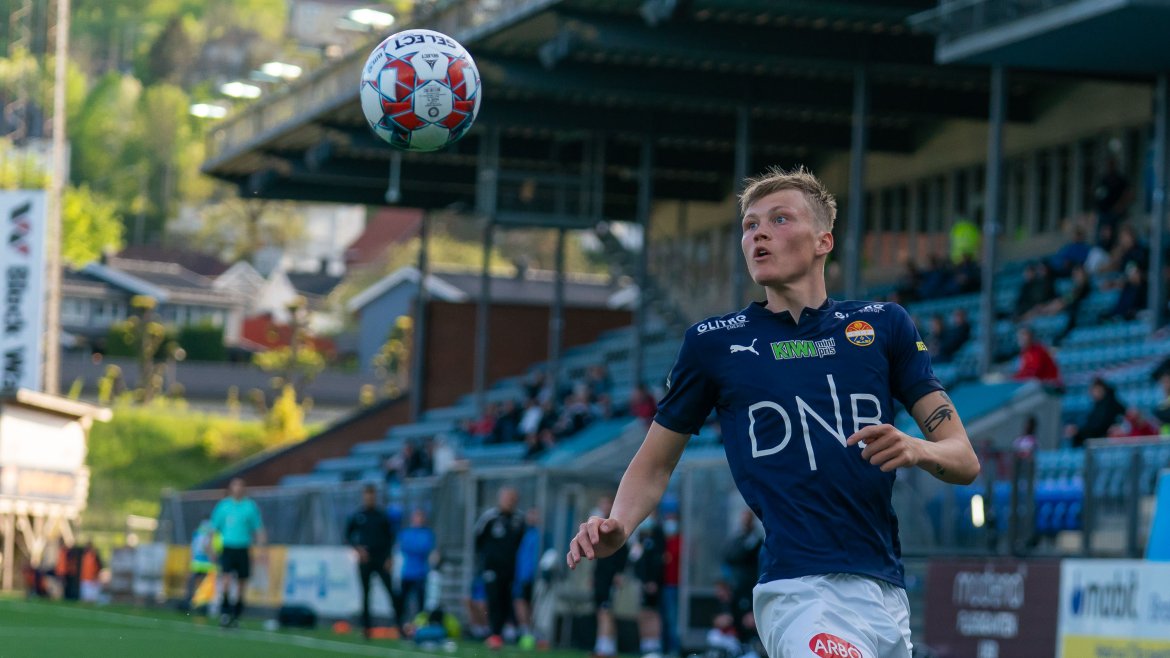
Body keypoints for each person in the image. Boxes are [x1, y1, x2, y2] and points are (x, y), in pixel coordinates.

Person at [566, 167, 980, 658]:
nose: (758, 233)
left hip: (886, 594)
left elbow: (963, 459)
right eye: (750, 225)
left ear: (824, 241)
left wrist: (916, 448)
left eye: (779, 219)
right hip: (800, 594)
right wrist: (619, 523)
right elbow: (655, 462)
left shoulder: (885, 326)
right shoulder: (713, 343)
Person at [474, 487, 526, 649]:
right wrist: (486, 560)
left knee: (506, 600)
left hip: (510, 569)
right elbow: (477, 539)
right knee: (493, 599)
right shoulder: (490, 518)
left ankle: (500, 633)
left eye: (512, 498)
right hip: (492, 568)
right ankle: (493, 633)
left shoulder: (519, 520)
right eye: (507, 498)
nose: (510, 501)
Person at [210, 477, 265, 627]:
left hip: (243, 548)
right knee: (226, 580)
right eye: (235, 485)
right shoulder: (223, 506)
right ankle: (225, 612)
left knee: (242, 583)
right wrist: (211, 547)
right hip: (228, 547)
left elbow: (258, 529)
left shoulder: (250, 506)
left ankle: (236, 615)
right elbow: (213, 528)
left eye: (240, 485)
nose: (238, 488)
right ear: (231, 488)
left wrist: (261, 548)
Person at [346, 484, 397, 637]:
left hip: (381, 559)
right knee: (366, 594)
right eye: (367, 495)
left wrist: (389, 557)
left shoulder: (382, 516)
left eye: (372, 495)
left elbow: (390, 538)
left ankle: (399, 624)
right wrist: (358, 549)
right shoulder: (358, 515)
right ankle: (366, 628)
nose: (369, 498)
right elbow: (348, 535)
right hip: (365, 560)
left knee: (391, 592)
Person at [590, 496, 629, 658]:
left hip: (611, 577)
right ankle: (608, 647)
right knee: (602, 611)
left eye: (607, 504)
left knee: (605, 611)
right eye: (602, 504)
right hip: (601, 576)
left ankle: (604, 648)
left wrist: (619, 573)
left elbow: (624, 552)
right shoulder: (599, 528)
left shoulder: (616, 527)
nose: (604, 507)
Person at [722, 509, 764, 644]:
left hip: (750, 586)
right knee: (735, 618)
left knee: (749, 619)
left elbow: (741, 555)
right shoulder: (737, 538)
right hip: (736, 586)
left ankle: (751, 646)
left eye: (747, 519)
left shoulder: (756, 539)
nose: (745, 522)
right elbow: (729, 556)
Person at [632, 514, 666, 658]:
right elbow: (637, 558)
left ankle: (654, 646)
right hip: (642, 581)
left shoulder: (657, 534)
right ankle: (645, 645)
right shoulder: (640, 535)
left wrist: (653, 580)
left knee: (653, 613)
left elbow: (658, 560)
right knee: (643, 613)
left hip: (652, 582)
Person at [398, 507, 436, 623]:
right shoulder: (406, 533)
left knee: (420, 603)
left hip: (421, 573)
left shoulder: (427, 533)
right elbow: (405, 547)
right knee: (403, 602)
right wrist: (417, 548)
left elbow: (425, 548)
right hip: (407, 573)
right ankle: (402, 625)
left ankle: (419, 625)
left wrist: (415, 548)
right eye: (417, 516)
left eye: (421, 517)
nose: (419, 519)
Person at [513, 508, 542, 650]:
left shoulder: (539, 535)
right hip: (521, 574)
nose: (532, 517)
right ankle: (525, 630)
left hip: (531, 575)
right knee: (520, 601)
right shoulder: (524, 532)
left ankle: (528, 631)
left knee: (526, 603)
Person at [1070, 377, 1126, 447]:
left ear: (1101, 389)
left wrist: (1079, 431)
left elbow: (1099, 427)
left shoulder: (1109, 405)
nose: (1091, 393)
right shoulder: (1098, 405)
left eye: (1093, 390)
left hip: (1105, 442)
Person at [660, 510, 682, 657]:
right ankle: (664, 649)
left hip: (675, 585)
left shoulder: (681, 541)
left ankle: (674, 650)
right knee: (665, 619)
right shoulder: (663, 541)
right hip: (663, 585)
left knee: (673, 619)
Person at [185, 519, 216, 612]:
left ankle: (189, 601)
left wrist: (190, 560)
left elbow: (192, 548)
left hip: (196, 562)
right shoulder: (211, 530)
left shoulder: (197, 532)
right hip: (206, 563)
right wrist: (213, 557)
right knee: (204, 585)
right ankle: (200, 604)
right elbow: (207, 546)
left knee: (192, 583)